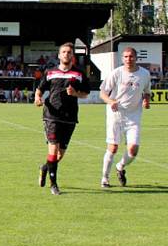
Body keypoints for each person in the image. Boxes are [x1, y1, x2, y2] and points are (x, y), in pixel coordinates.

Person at [35, 42, 90, 195]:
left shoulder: (79, 74)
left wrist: (75, 94)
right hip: (51, 116)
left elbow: (85, 93)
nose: (66, 54)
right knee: (53, 149)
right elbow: (39, 90)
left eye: (69, 52)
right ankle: (54, 184)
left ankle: (45, 168)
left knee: (60, 154)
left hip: (70, 117)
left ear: (73, 56)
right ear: (59, 55)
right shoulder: (50, 72)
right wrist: (37, 99)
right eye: (64, 52)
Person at [99, 47, 151, 188]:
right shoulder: (116, 73)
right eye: (126, 57)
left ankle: (120, 166)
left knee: (133, 149)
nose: (129, 59)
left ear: (136, 58)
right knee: (113, 147)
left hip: (134, 116)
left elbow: (147, 91)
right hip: (115, 115)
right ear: (122, 59)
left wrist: (146, 100)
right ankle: (105, 179)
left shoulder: (144, 74)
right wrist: (111, 102)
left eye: (131, 56)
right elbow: (102, 93)